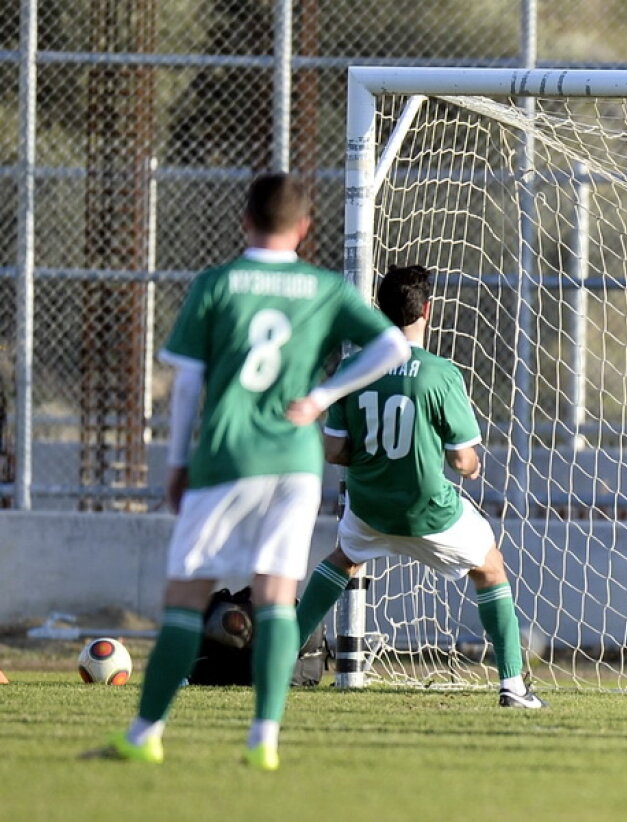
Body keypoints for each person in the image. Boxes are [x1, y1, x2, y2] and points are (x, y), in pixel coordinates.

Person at [87, 173, 412, 769]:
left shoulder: (217, 284)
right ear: (305, 228)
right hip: (293, 461)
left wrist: (177, 461)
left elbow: (188, 382)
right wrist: (321, 397)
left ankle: (144, 735)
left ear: (245, 221)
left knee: (186, 599)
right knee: (275, 598)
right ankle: (264, 738)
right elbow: (392, 346)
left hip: (224, 457)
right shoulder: (323, 289)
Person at [293, 263, 545, 709]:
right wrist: (463, 462)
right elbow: (464, 461)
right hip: (428, 510)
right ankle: (513, 686)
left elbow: (334, 452)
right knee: (490, 567)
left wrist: (372, 454)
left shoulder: (353, 368)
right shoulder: (440, 373)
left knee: (343, 558)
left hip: (369, 508)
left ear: (379, 310)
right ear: (428, 309)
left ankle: (276, 659)